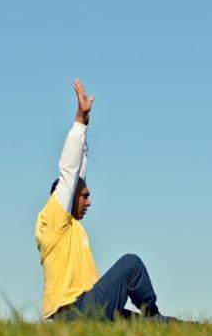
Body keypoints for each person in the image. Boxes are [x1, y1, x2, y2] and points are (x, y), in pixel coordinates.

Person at [35, 78, 176, 322]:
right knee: (131, 263)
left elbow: (79, 170)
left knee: (160, 327)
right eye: (85, 197)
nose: (89, 202)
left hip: (90, 308)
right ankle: (151, 313)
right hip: (75, 313)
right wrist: (79, 119)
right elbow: (69, 171)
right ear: (65, 197)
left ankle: (160, 321)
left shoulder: (70, 226)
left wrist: (87, 123)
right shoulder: (52, 219)